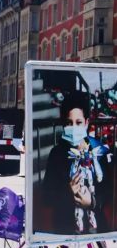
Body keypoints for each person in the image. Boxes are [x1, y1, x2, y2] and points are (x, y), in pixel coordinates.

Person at [42, 93, 110, 234]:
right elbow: (47, 197)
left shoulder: (98, 152)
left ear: (86, 122)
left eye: (78, 123)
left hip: (97, 228)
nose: (73, 127)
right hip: (66, 227)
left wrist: (92, 202)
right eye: (68, 123)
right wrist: (68, 192)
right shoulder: (57, 154)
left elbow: (108, 191)